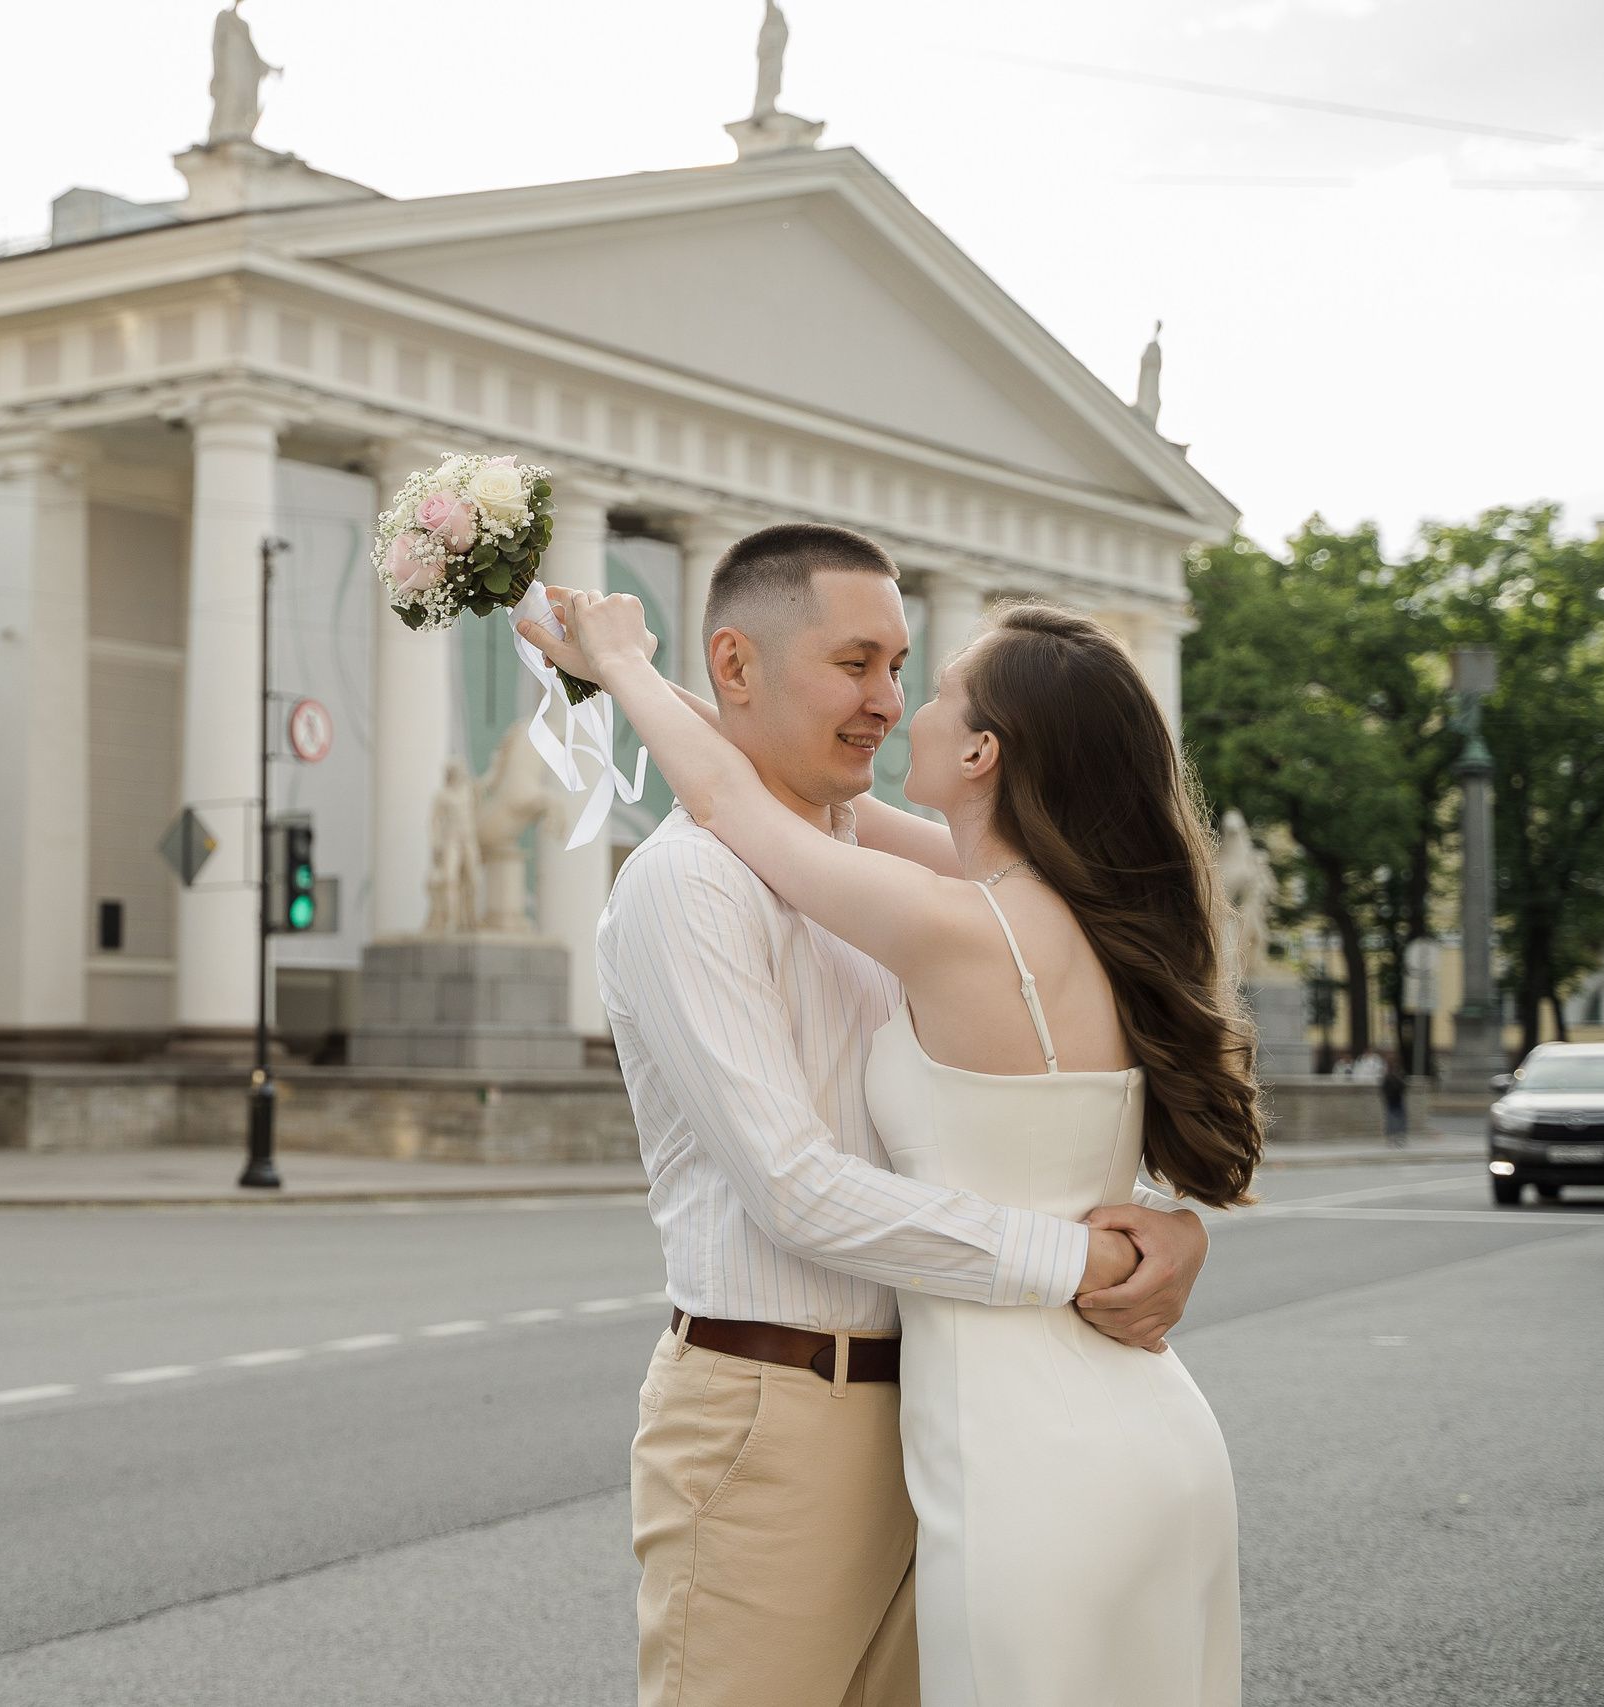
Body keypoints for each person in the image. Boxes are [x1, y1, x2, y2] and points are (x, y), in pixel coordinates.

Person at [523, 524, 1234, 1707]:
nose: (892, 704)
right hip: (788, 1416)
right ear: (735, 665)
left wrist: (1158, 1223)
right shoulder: (698, 881)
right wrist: (1089, 1252)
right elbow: (796, 1189)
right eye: (858, 664)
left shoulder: (901, 883)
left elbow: (740, 789)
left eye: (910, 674)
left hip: (959, 1413)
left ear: (987, 752)